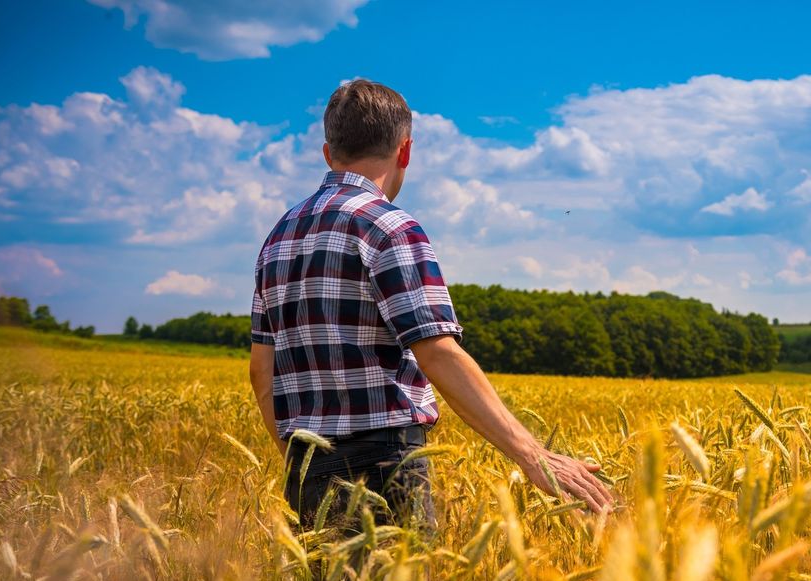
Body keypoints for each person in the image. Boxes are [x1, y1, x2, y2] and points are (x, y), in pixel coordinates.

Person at [248, 79, 613, 541]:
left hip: (305, 464)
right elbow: (437, 351)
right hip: (384, 464)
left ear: (327, 152)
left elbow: (262, 372)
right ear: (405, 151)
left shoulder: (278, 238)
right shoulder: (390, 228)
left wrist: (298, 463)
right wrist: (534, 455)